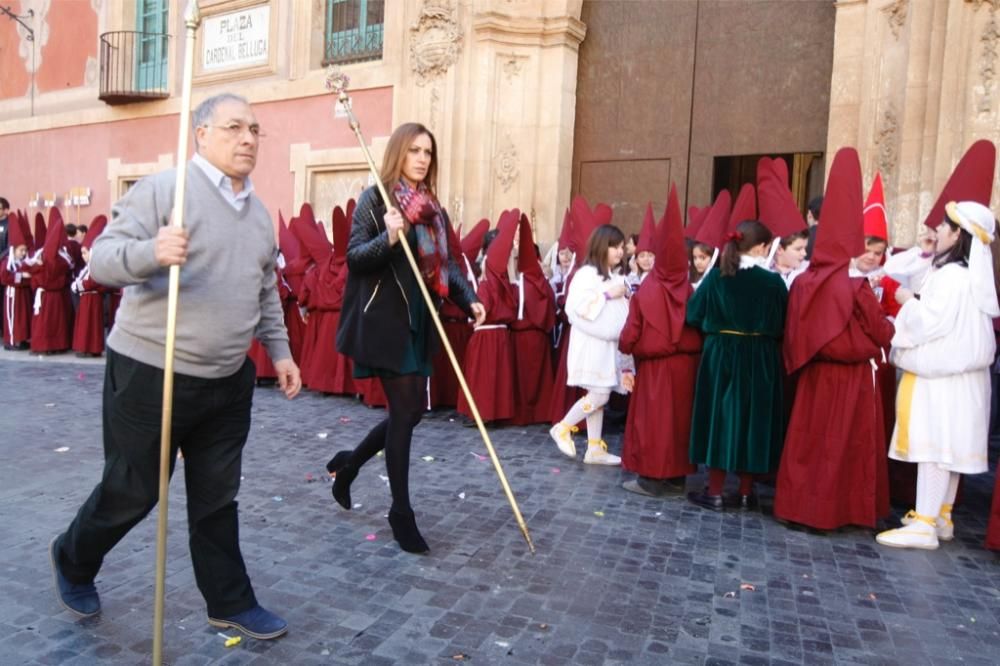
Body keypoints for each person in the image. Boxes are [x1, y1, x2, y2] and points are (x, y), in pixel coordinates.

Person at [50, 93, 301, 640]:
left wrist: (278, 351)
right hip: (150, 370)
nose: (248, 139)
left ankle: (229, 602)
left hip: (227, 381)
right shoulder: (165, 191)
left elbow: (265, 293)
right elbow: (102, 260)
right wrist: (153, 251)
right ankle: (72, 558)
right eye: (234, 127)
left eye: (255, 129)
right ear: (202, 134)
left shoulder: (260, 217)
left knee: (217, 498)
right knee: (133, 491)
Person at [331, 122, 485, 554]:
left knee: (412, 412)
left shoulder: (434, 208)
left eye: (428, 152)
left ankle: (349, 464)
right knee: (405, 413)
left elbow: (449, 265)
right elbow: (355, 258)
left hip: (423, 317)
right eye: (415, 150)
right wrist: (390, 236)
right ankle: (401, 513)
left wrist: (469, 298)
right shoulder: (376, 199)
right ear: (399, 152)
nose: (422, 158)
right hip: (387, 318)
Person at [775, 148, 895, 530]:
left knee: (809, 443)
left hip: (812, 376)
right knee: (840, 446)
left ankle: (798, 509)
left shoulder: (805, 282)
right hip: (849, 380)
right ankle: (831, 512)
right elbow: (881, 332)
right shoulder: (855, 287)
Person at [876, 201, 999, 550]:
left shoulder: (952, 278)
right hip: (962, 378)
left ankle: (926, 523)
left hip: (941, 378)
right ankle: (941, 514)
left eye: (943, 228)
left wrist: (905, 299)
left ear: (958, 233)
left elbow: (928, 322)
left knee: (934, 446)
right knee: (950, 446)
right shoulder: (968, 276)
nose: (937, 232)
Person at [686, 220, 788, 510]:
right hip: (760, 356)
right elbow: (783, 322)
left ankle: (715, 491)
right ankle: (745, 492)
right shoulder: (773, 282)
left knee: (719, 418)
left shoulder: (717, 277)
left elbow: (693, 314)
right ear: (759, 248)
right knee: (753, 420)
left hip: (721, 356)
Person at [619, 185, 699, 495]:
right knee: (679, 421)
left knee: (654, 422)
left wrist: (628, 348)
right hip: (686, 370)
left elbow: (630, 334)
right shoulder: (690, 290)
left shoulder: (647, 292)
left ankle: (652, 479)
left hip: (655, 370)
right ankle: (678, 477)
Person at [549, 224, 634, 466]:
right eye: (614, 247)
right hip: (592, 344)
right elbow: (575, 307)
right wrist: (608, 295)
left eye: (621, 247)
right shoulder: (586, 274)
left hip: (609, 346)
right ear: (601, 246)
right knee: (600, 394)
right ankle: (564, 427)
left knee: (598, 391)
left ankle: (594, 447)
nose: (620, 252)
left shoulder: (616, 275)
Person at [1, 210, 33, 349]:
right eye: (21, 250)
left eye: (25, 250)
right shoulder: (7, 261)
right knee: (13, 317)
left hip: (23, 294)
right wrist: (21, 277)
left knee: (23, 318)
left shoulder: (24, 262)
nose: (24, 253)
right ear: (14, 250)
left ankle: (22, 338)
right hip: (13, 294)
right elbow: (4, 277)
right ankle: (12, 340)